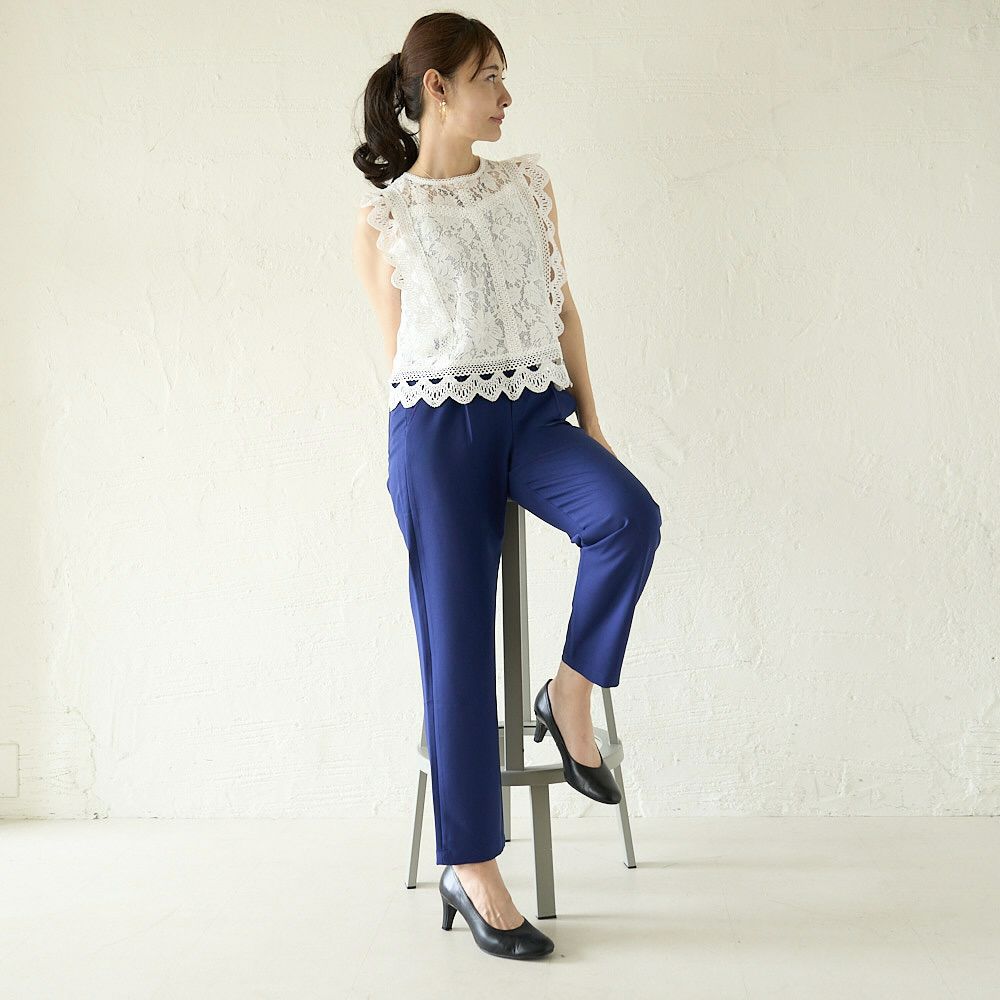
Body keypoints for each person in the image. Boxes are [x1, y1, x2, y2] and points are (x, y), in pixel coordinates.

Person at [352, 13, 662, 961]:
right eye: (490, 75)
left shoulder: (529, 185)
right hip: (437, 432)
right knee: (457, 643)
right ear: (437, 88)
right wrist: (434, 457)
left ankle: (568, 698)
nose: (506, 94)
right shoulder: (386, 219)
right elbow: (400, 357)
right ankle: (473, 866)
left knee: (628, 517)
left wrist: (593, 425)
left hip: (533, 417)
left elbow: (562, 308)